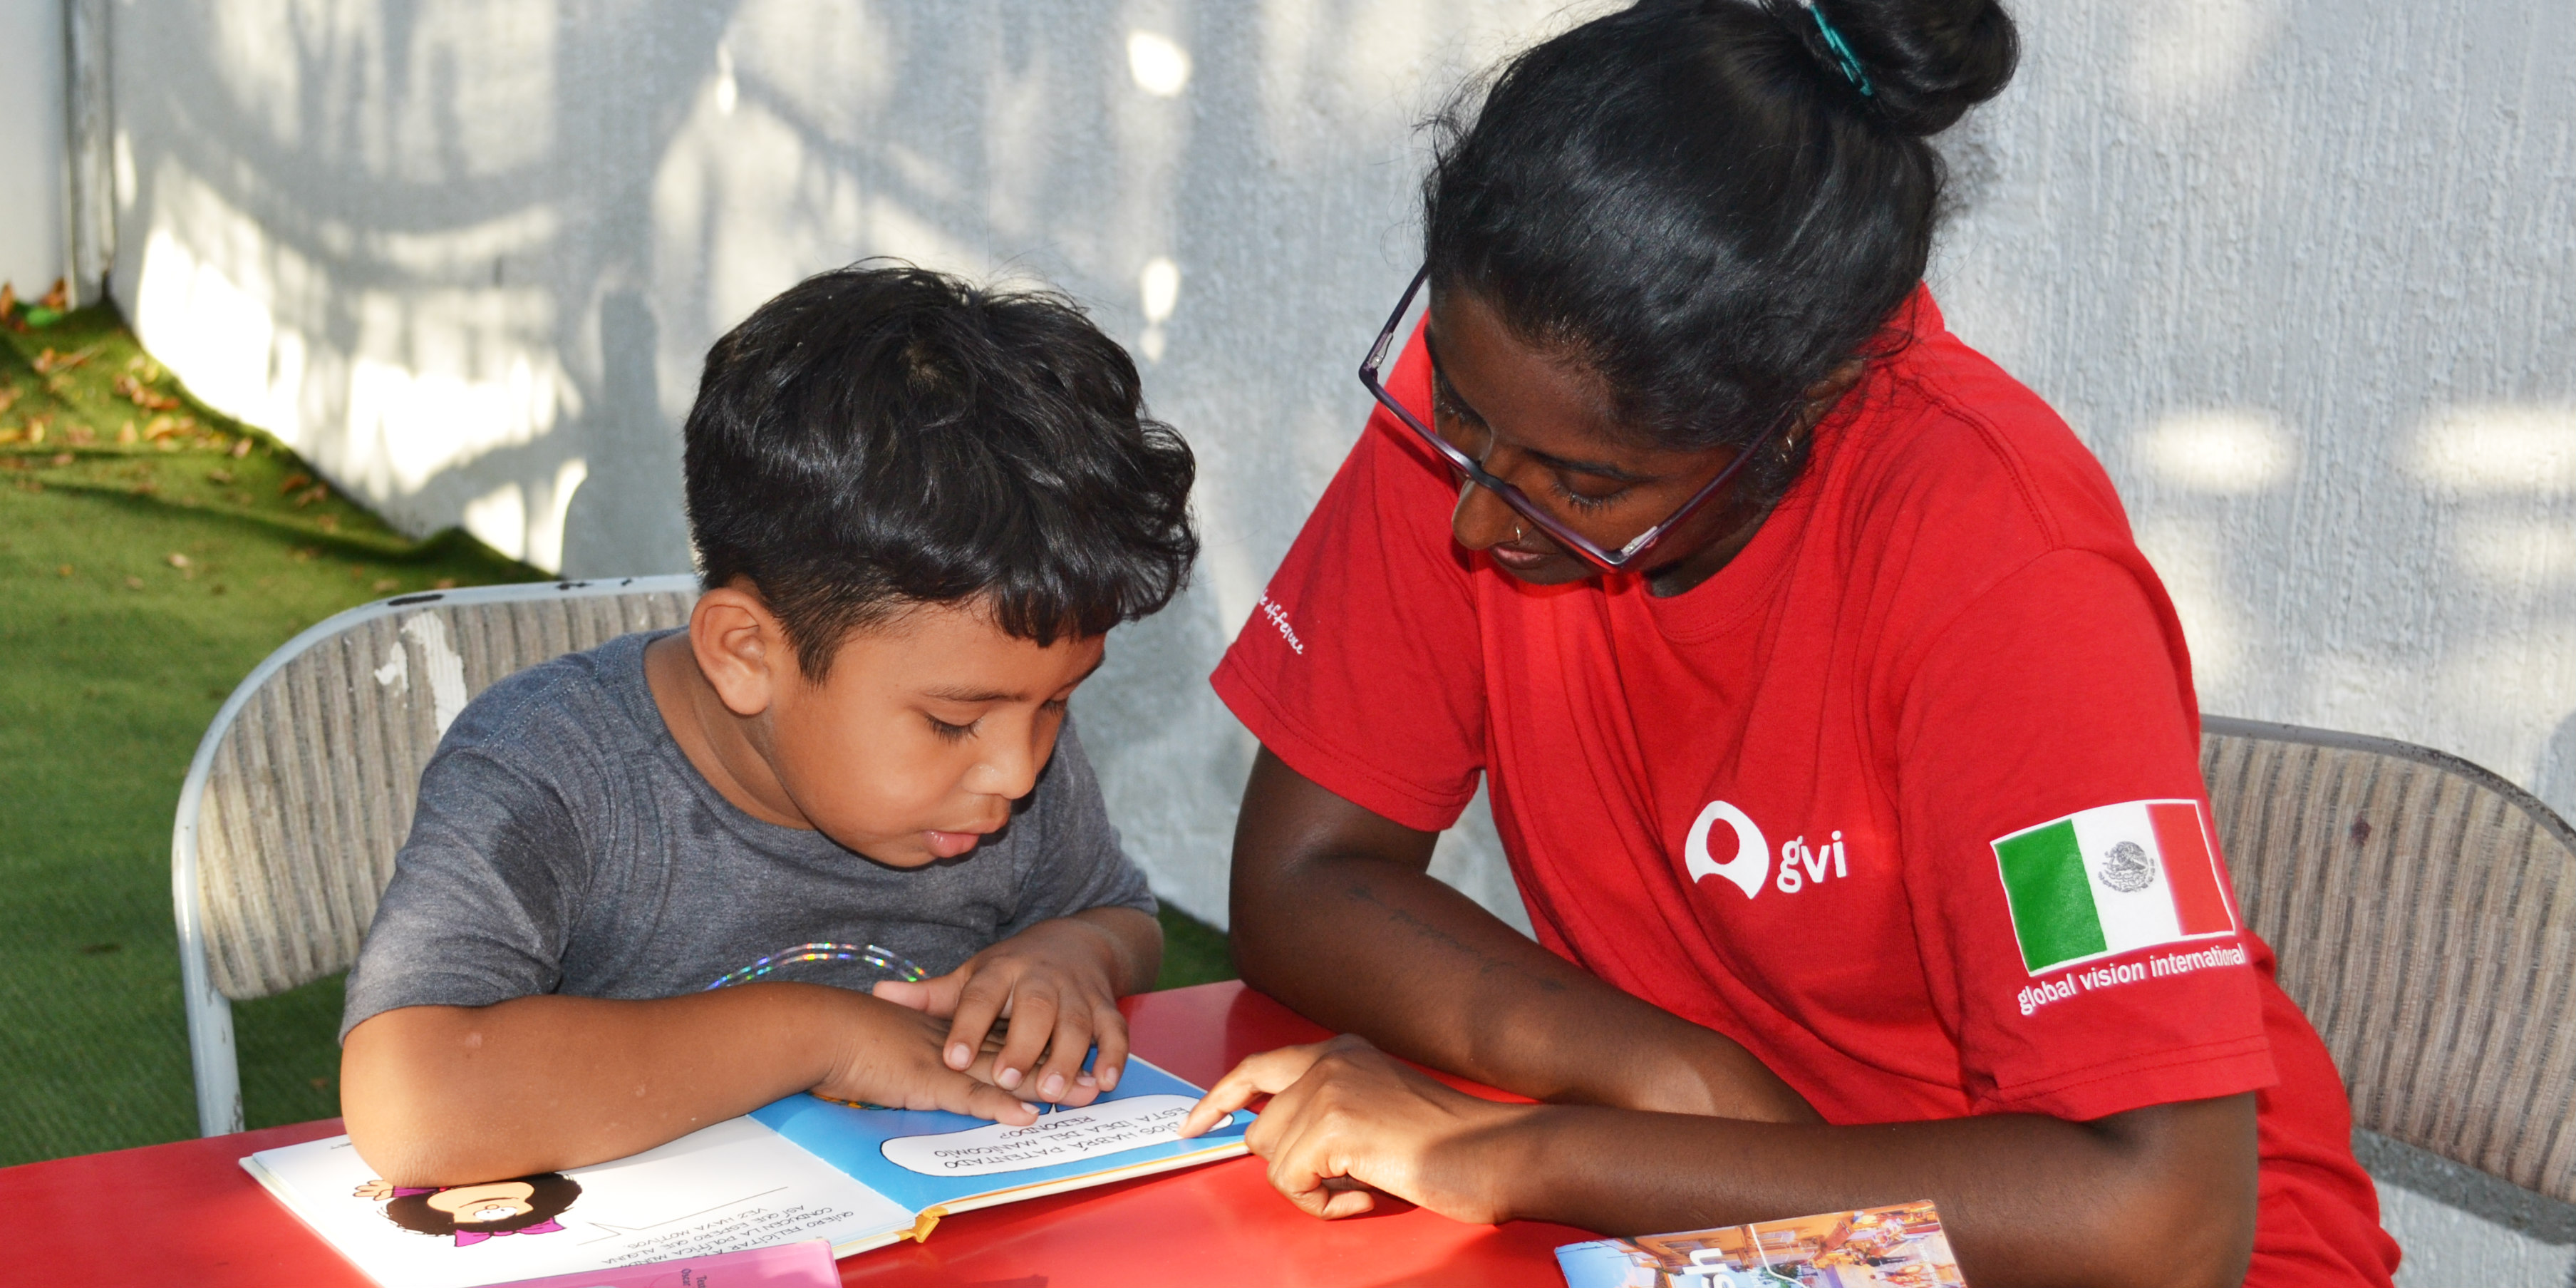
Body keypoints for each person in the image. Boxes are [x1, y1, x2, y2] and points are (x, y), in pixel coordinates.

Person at [1177, 3, 2398, 1286]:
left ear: (1800, 411)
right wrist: (1677, 1075)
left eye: (1586, 492)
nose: (1483, 518)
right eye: (1466, 424)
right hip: (1720, 1207)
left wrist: (1530, 1155)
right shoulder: (1505, 418)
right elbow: (1309, 879)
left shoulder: (2007, 576)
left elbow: (2157, 1224)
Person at [338, 262, 1199, 1185]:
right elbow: (411, 1102)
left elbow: (1119, 917)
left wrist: (1070, 955)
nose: (1020, 772)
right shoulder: (551, 769)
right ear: (747, 654)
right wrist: (824, 1034)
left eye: (1059, 701)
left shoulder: (1006, 752)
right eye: (954, 722)